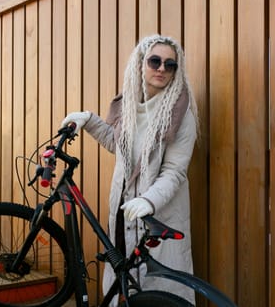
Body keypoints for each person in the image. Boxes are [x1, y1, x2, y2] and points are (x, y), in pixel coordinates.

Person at [61, 34, 199, 305]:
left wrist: (149, 200)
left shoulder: (182, 113)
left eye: (170, 65)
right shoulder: (129, 106)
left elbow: (174, 171)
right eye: (155, 61)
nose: (161, 68)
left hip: (158, 213)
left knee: (161, 289)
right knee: (125, 280)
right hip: (126, 211)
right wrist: (88, 120)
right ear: (140, 64)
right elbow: (118, 145)